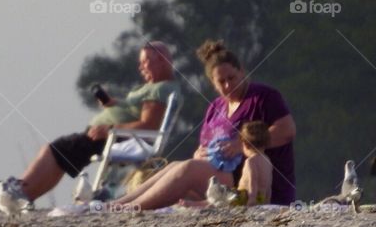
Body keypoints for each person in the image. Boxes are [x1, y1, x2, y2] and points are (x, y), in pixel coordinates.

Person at [115, 40, 296, 210]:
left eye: (232, 78)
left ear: (242, 71)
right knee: (176, 165)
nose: (227, 85)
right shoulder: (215, 108)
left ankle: (132, 208)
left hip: (249, 185)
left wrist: (241, 146)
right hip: (218, 177)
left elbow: (287, 131)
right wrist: (200, 153)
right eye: (221, 82)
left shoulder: (263, 97)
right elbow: (205, 145)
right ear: (213, 83)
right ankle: (118, 203)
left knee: (188, 169)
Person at [19, 41, 179, 201]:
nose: (141, 67)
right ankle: (24, 194)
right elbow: (137, 113)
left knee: (57, 149)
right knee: (61, 155)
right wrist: (115, 104)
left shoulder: (160, 89)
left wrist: (108, 129)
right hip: (112, 136)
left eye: (145, 61)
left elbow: (148, 125)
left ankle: (20, 192)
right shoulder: (157, 87)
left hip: (114, 138)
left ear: (162, 60)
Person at [237, 120, 273, 205]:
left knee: (221, 197)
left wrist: (252, 198)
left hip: (246, 197)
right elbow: (268, 184)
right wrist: (267, 200)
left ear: (245, 144)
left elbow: (253, 180)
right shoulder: (267, 160)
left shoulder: (250, 162)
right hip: (262, 198)